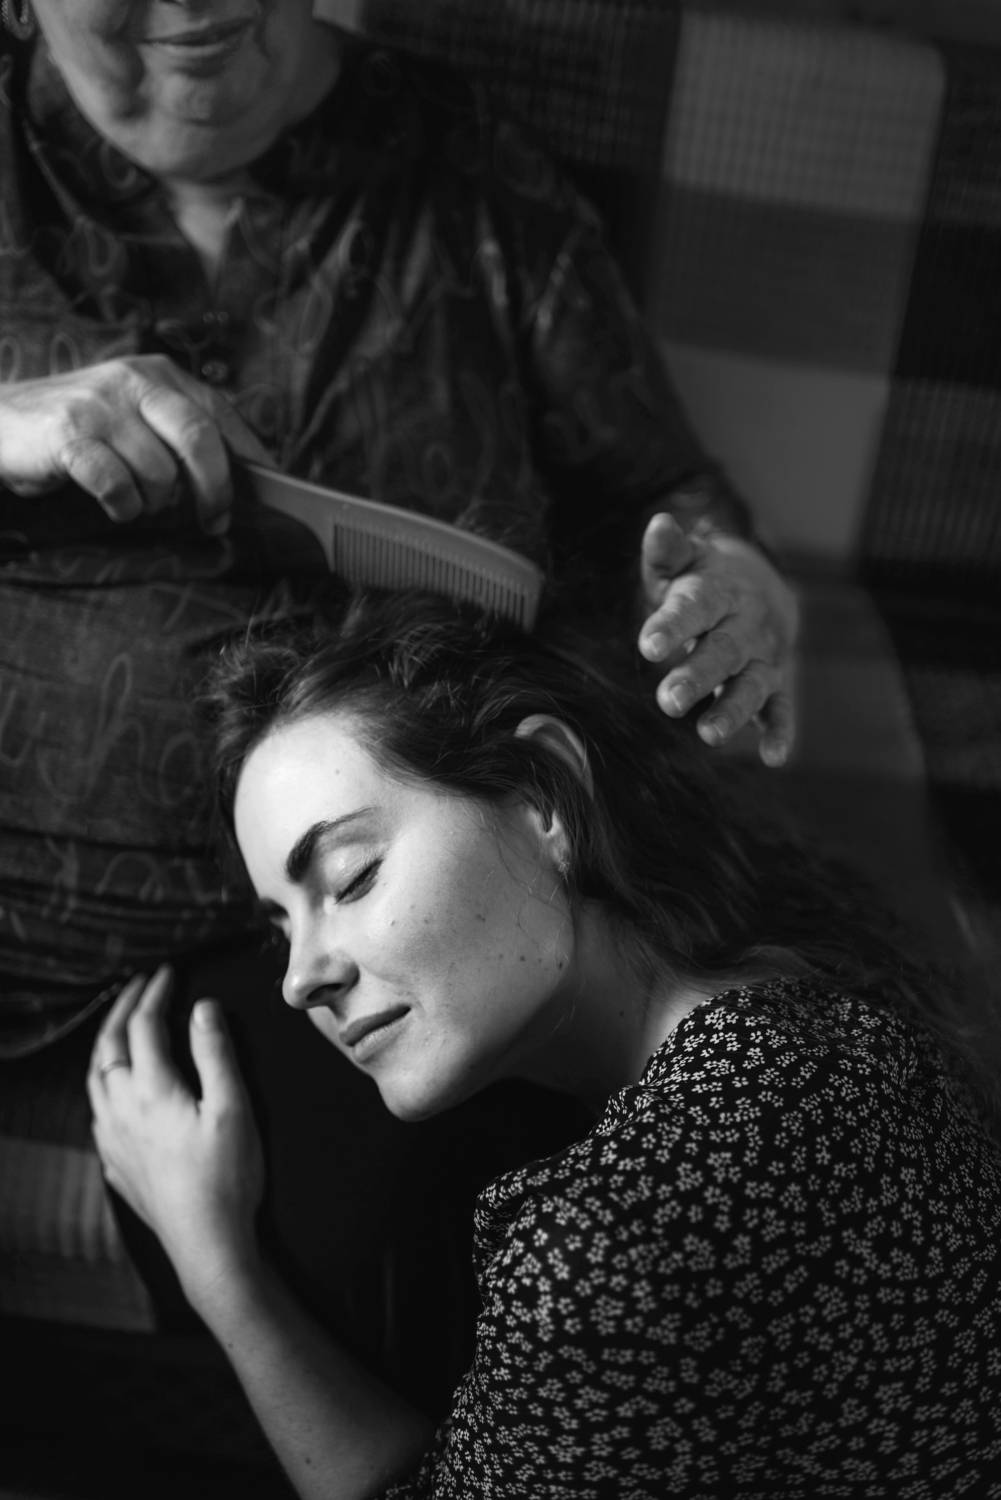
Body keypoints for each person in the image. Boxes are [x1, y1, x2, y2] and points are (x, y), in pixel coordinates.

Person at [89, 589, 1001, 1499]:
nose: (299, 980)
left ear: (541, 794)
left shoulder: (612, 1245)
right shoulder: (805, 1004)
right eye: (280, 927)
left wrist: (216, 1262)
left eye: (351, 877)